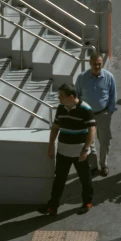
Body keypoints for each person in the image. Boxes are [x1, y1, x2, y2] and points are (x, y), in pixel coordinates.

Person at [37, 83, 96, 216]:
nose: (59, 98)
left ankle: (87, 202)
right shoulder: (61, 108)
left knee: (85, 178)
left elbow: (92, 129)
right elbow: (56, 126)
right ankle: (52, 206)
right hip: (63, 151)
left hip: (80, 152)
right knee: (59, 179)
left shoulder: (85, 109)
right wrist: (51, 145)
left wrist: (86, 150)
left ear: (71, 97)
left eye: (61, 96)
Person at [75, 52, 117, 176]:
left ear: (102, 63)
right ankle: (93, 166)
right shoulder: (82, 77)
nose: (97, 67)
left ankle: (103, 164)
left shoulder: (109, 77)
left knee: (104, 141)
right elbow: (77, 95)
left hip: (103, 114)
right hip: (87, 115)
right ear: (90, 63)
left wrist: (109, 111)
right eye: (95, 64)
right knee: (90, 141)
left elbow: (113, 94)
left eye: (99, 64)